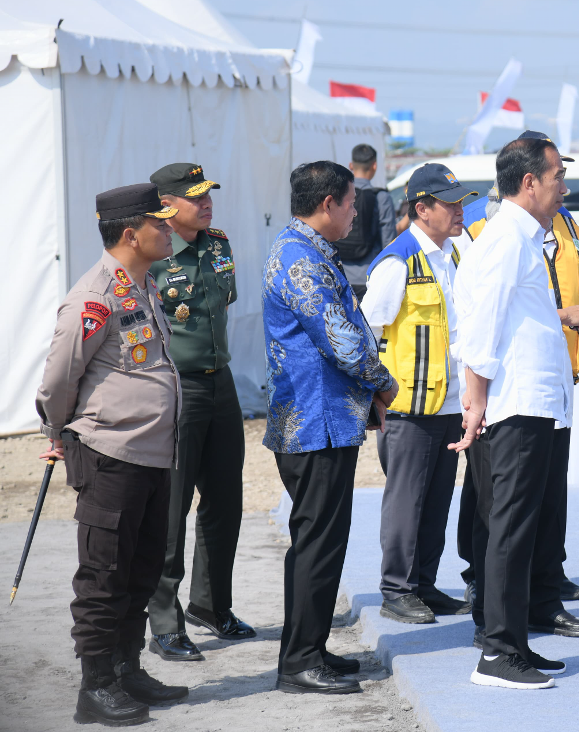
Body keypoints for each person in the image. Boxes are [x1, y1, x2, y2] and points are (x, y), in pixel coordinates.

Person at [35, 184, 188, 726]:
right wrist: (60, 430)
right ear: (132, 233)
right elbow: (58, 380)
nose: (169, 230)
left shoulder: (141, 286)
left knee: (142, 570)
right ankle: (95, 686)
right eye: (161, 224)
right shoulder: (95, 296)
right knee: (104, 575)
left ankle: (126, 669)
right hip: (111, 455)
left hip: (152, 454)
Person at [450, 133, 579, 689]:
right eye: (558, 175)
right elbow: (480, 326)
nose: (564, 186)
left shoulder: (522, 236)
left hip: (528, 406)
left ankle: (515, 642)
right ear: (529, 181)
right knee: (508, 529)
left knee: (519, 526)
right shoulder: (506, 239)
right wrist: (477, 398)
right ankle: (497, 653)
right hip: (511, 408)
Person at [262, 160, 400, 694]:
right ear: (327, 205)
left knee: (324, 541)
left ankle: (311, 647)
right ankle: (298, 662)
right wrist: (383, 384)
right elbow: (339, 337)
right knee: (316, 544)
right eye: (350, 205)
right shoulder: (299, 258)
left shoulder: (310, 250)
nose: (354, 216)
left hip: (327, 421)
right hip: (313, 423)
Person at [143, 163, 254, 664]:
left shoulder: (218, 244)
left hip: (220, 382)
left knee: (226, 501)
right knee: (172, 509)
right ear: (167, 206)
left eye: (208, 193)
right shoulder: (153, 257)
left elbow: (220, 308)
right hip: (176, 390)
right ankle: (164, 622)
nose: (207, 203)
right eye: (195, 197)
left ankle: (211, 605)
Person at [361, 163, 475, 624]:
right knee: (406, 500)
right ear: (421, 208)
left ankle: (423, 584)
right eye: (449, 202)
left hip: (448, 402)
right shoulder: (398, 260)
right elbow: (367, 329)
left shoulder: (454, 255)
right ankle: (396, 589)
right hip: (407, 407)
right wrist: (375, 396)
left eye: (461, 201)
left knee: (436, 500)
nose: (459, 210)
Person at [335, 144, 399, 300]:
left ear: (351, 166)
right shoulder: (381, 197)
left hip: (340, 276)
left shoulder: (338, 195)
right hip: (369, 277)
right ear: (374, 166)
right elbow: (388, 243)